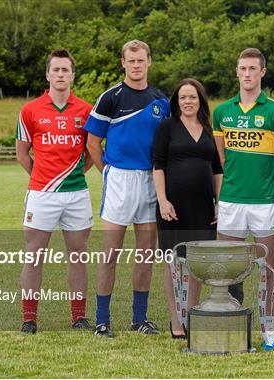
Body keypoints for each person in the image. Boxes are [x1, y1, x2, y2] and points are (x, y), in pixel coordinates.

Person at [84, 40, 170, 337]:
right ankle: (102, 320)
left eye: (141, 60)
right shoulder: (110, 97)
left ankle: (139, 318)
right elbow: (92, 142)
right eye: (131, 60)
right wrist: (106, 171)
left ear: (149, 61)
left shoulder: (161, 100)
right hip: (119, 179)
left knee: (146, 254)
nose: (136, 65)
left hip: (150, 179)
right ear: (123, 62)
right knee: (110, 254)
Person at [212, 48, 274, 351]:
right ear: (237, 72)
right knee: (227, 268)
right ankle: (231, 326)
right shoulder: (222, 112)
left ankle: (269, 332)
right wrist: (222, 195)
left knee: (267, 267)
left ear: (262, 72)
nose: (247, 74)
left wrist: (270, 192)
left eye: (253, 69)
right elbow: (219, 161)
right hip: (231, 201)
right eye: (242, 68)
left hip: (264, 203)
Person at [15, 48, 94, 334]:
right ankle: (29, 318)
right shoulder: (30, 110)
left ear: (72, 75)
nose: (60, 75)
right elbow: (23, 154)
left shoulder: (86, 110)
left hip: (77, 194)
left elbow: (91, 152)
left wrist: (71, 176)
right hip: (42, 194)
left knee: (78, 254)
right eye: (55, 70)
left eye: (65, 70)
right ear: (48, 74)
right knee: (34, 254)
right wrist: (44, 179)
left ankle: (78, 316)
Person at [153, 78, 223, 339]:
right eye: (183, 97)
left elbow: (217, 169)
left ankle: (192, 314)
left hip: (204, 208)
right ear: (177, 101)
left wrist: (219, 204)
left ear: (200, 100)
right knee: (173, 265)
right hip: (173, 207)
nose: (188, 101)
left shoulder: (208, 129)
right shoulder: (167, 127)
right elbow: (158, 165)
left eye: (192, 97)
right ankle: (175, 321)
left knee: (197, 264)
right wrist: (162, 200)